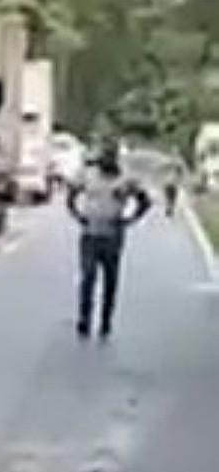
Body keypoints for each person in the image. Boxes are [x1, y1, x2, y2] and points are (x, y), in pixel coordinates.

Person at [64, 140, 152, 339]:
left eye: (110, 158)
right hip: (90, 235)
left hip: (113, 237)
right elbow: (71, 194)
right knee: (88, 278)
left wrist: (130, 220)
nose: (106, 163)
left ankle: (105, 321)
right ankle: (84, 319)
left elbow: (145, 201)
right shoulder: (87, 174)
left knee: (110, 281)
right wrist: (78, 215)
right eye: (103, 158)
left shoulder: (126, 179)